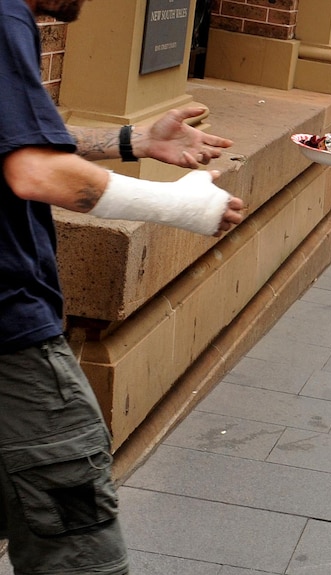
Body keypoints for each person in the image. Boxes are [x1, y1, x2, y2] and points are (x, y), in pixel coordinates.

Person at [0, 0, 244, 574]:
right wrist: (179, 205)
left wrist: (130, 141)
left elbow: (20, 136)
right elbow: (34, 169)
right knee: (80, 550)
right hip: (11, 341)